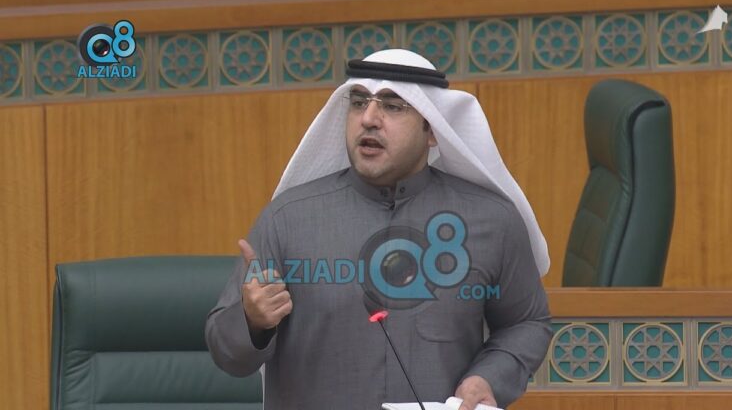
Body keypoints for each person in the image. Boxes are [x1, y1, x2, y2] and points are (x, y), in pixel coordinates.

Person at [205, 49, 553, 410]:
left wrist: (488, 378)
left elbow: (525, 322)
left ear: (432, 129)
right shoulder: (287, 220)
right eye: (358, 102)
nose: (368, 119)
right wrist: (253, 321)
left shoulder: (492, 220)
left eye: (393, 106)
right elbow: (227, 353)